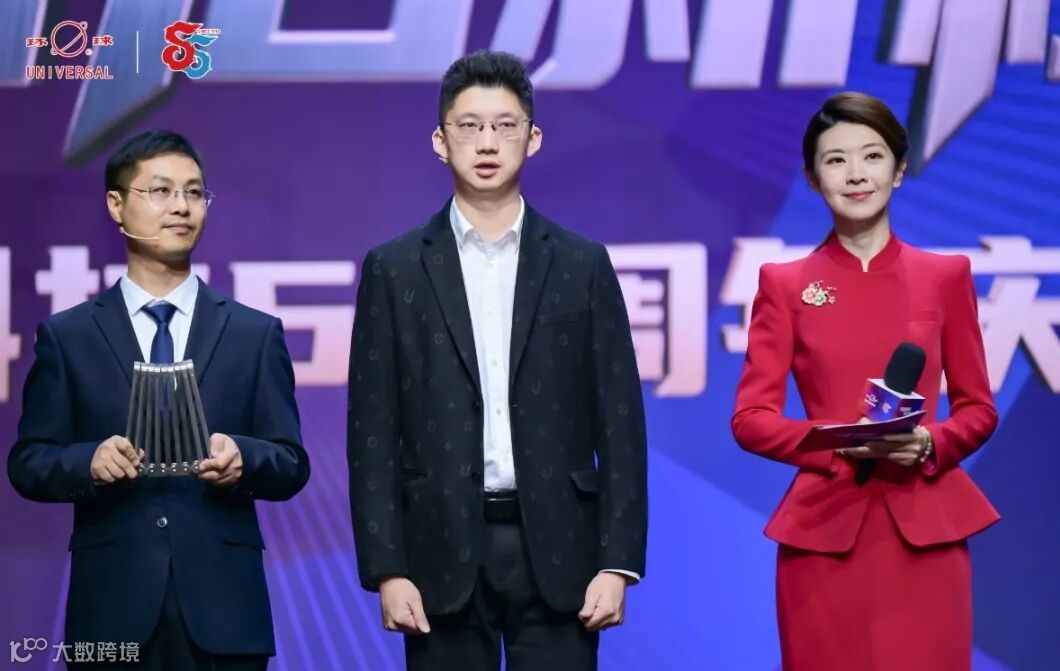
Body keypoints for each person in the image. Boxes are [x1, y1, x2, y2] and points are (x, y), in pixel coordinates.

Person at [347, 50, 647, 671]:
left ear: (533, 138)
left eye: (505, 125)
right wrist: (387, 568)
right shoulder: (394, 269)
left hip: (562, 549)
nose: (487, 142)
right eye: (469, 126)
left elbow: (620, 422)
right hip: (437, 550)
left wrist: (618, 562)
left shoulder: (582, 264)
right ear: (440, 141)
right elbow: (371, 432)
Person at [8, 130, 310, 670]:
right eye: (161, 191)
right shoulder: (68, 337)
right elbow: (28, 462)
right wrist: (88, 462)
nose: (181, 206)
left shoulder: (254, 333)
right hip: (111, 611)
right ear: (116, 205)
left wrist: (243, 458)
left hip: (225, 615)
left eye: (194, 192)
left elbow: (290, 461)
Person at [730, 92, 999, 671]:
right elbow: (750, 420)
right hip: (825, 528)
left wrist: (927, 442)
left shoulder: (945, 276)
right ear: (812, 178)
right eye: (836, 160)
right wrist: (836, 443)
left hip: (926, 527)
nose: (856, 174)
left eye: (872, 156)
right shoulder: (785, 284)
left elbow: (978, 409)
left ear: (898, 170)